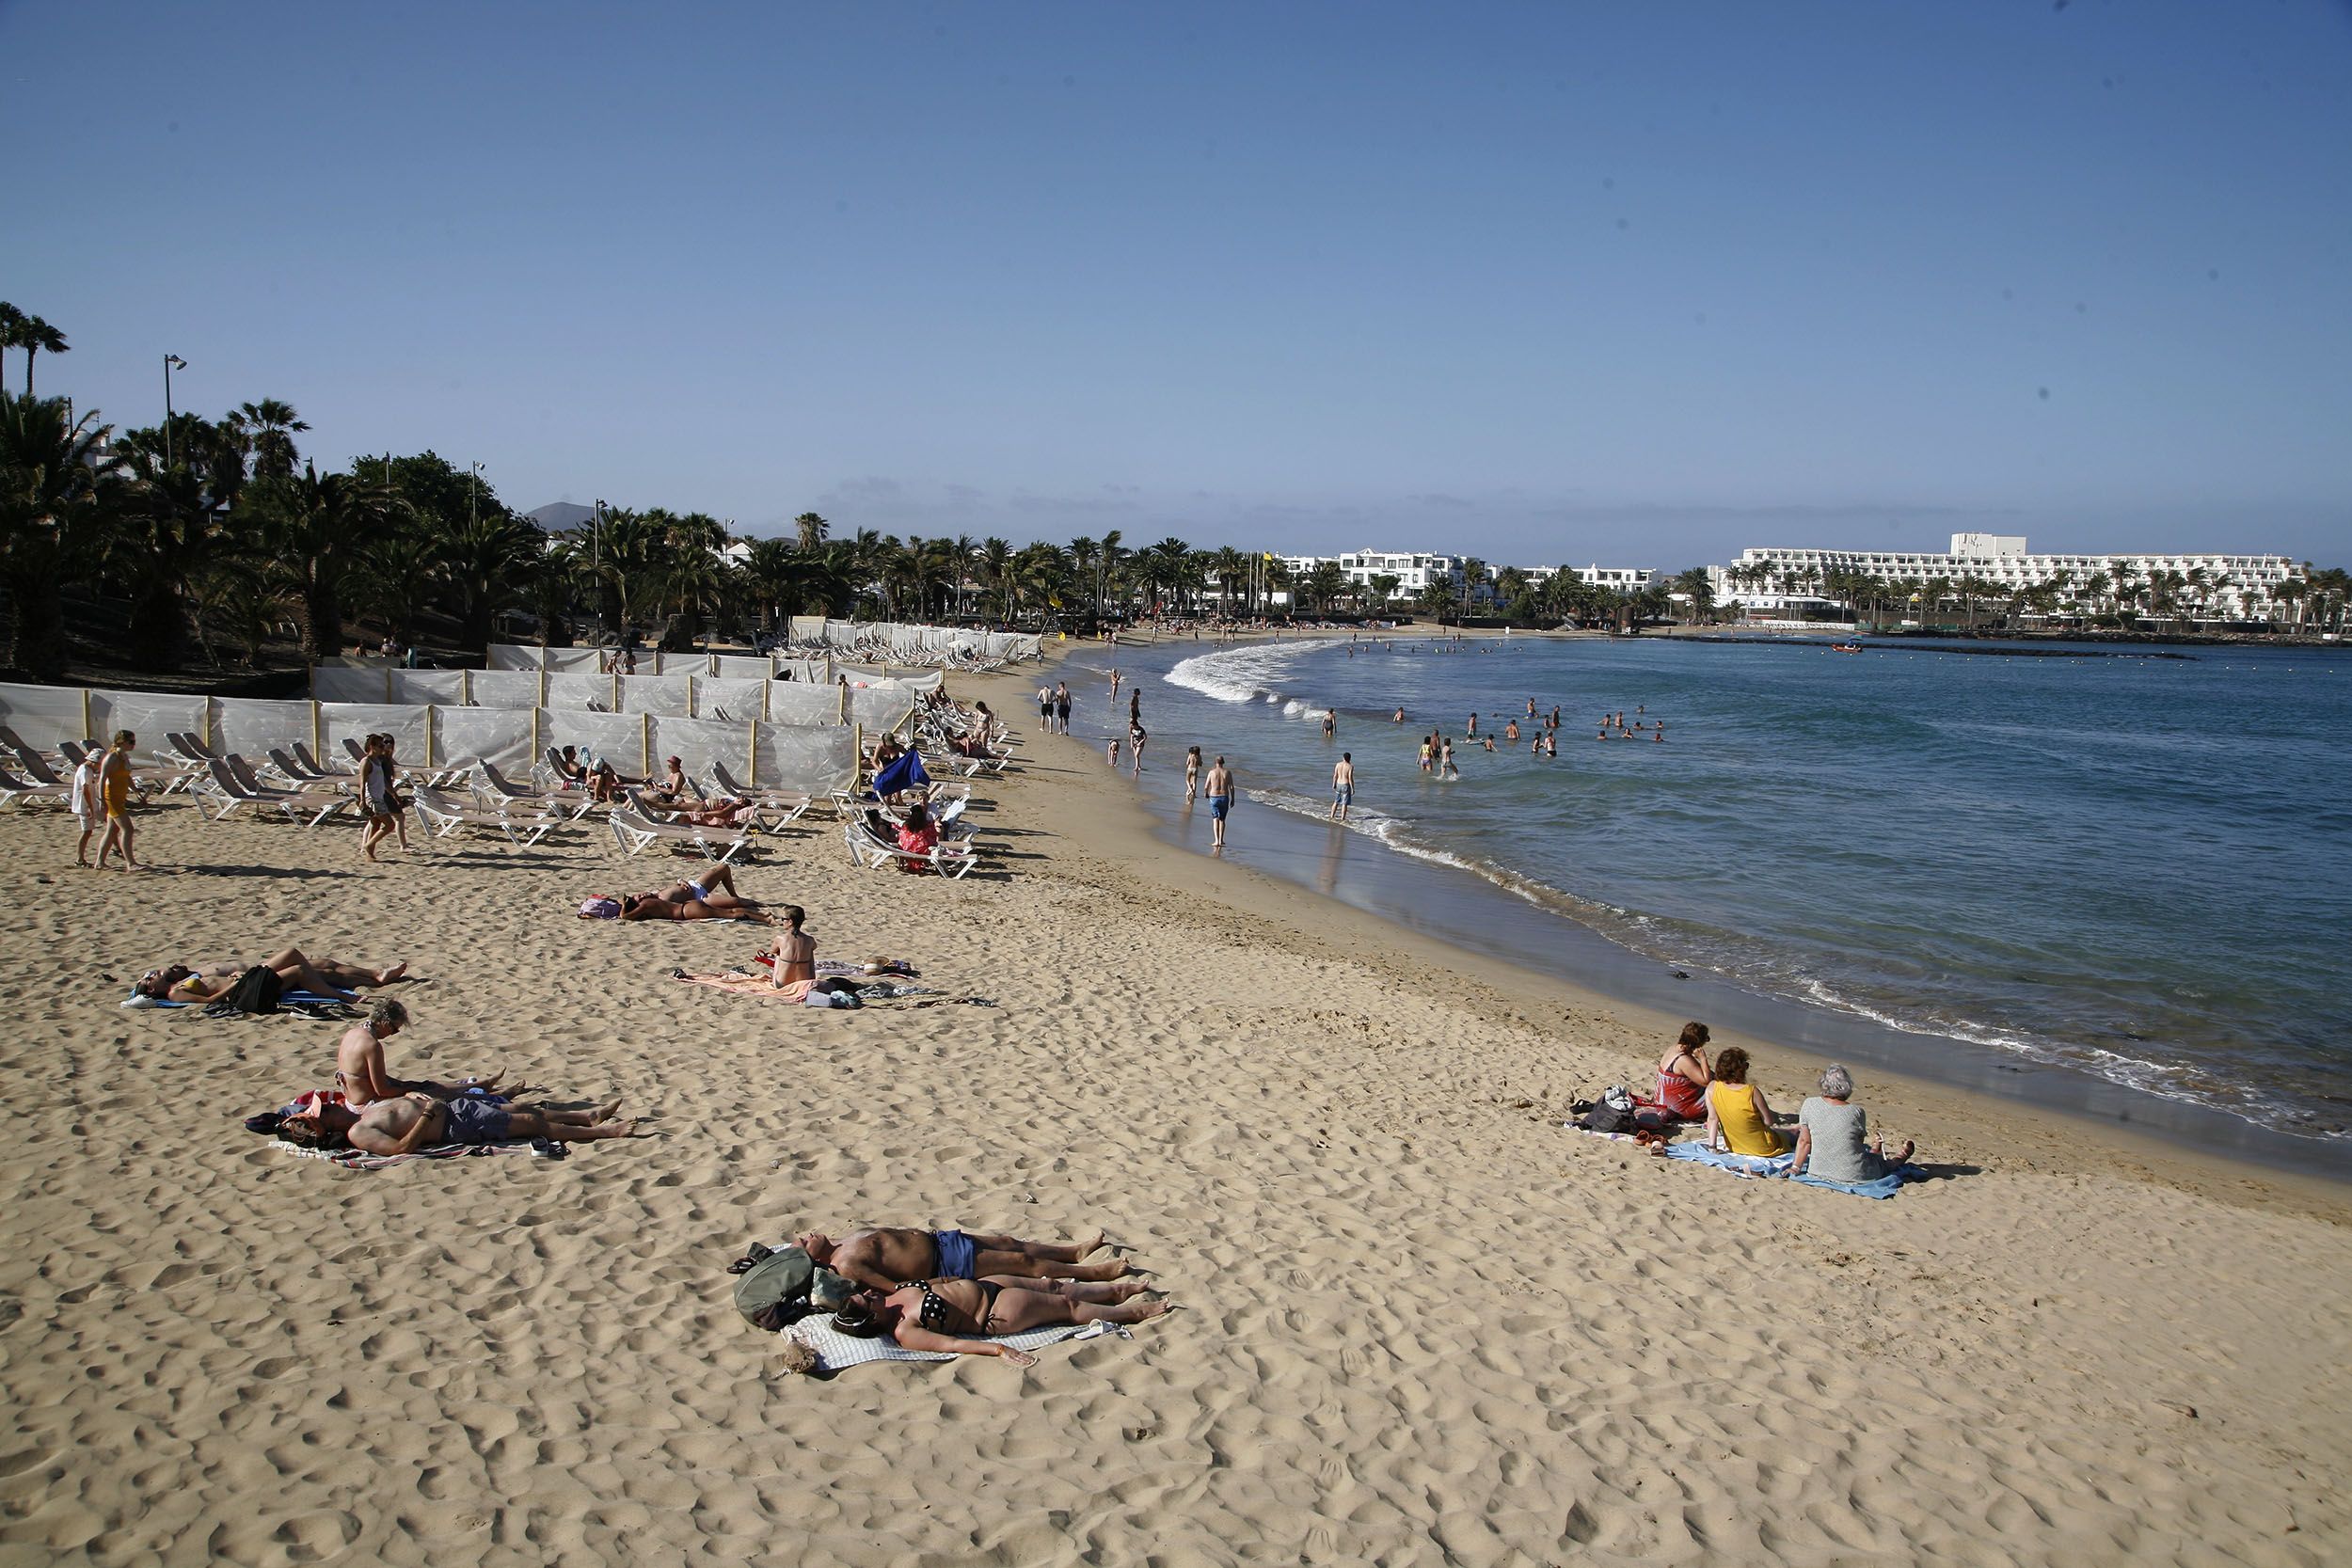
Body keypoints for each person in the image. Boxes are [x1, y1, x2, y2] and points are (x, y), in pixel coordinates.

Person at [831, 1278, 1167, 1367]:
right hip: (994, 1311)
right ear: (873, 1316)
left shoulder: (890, 1298)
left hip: (988, 1284)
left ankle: (1117, 1291)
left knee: (1054, 1285)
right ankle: (1136, 1312)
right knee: (1068, 1306)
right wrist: (999, 1350)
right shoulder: (905, 1331)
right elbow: (953, 1345)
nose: (872, 1293)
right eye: (868, 1299)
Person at [282, 1092, 636, 1155]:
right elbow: (402, 1147)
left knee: (521, 1108)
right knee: (530, 1122)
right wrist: (426, 1115)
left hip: (450, 1110)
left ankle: (585, 1116)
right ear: (324, 1126)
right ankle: (603, 1131)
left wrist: (415, 1098)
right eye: (323, 1111)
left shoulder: (359, 1112)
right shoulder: (359, 1132)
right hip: (451, 1125)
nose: (329, 1105)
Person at [797, 1226, 1128, 1291]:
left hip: (940, 1241)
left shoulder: (841, 1243)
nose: (805, 1236)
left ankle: (1072, 1252)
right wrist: (942, 1282)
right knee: (1021, 1264)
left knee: (1008, 1242)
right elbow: (894, 1287)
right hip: (944, 1264)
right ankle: (1096, 1273)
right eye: (802, 1244)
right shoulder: (846, 1265)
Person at [334, 998, 519, 1108]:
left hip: (356, 1096)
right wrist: (408, 1090)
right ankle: (494, 1097)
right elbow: (382, 1090)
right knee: (434, 1094)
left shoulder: (354, 1033)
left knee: (426, 1085)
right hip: (366, 1103)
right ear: (384, 1022)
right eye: (394, 1029)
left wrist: (409, 1085)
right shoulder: (371, 1045)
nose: (392, 1034)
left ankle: (483, 1085)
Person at [137, 949, 408, 1004]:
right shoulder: (176, 992)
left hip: (251, 979)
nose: (154, 974)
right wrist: (235, 985)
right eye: (150, 978)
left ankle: (375, 976)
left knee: (323, 966)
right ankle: (343, 995)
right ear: (152, 990)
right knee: (299, 964)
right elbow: (209, 1002)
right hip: (248, 988)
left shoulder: (185, 977)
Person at [1788, 1065, 1914, 1182]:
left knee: (1867, 1156)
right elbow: (1857, 1143)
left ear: (1823, 1084)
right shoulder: (1856, 1111)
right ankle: (1900, 1158)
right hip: (1854, 1174)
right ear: (1847, 1086)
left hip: (1817, 1171)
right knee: (1884, 1165)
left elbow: (1804, 1142)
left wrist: (1795, 1167)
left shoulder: (1809, 1104)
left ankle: (1876, 1151)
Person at [1704, 1047, 1790, 1157]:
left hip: (1735, 1146)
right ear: (1741, 1069)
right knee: (1789, 1135)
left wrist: (1712, 1147)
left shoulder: (1712, 1088)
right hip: (1762, 1148)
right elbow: (1768, 1122)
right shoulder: (1752, 1092)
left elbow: (1712, 1119)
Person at [619, 866, 772, 922]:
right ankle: (751, 904)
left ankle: (736, 894)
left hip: (696, 885)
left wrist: (681, 881)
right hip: (699, 898)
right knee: (735, 903)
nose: (642, 895)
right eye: (639, 898)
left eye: (639, 894)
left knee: (724, 868)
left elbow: (674, 885)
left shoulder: (654, 894)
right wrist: (625, 906)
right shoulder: (654, 903)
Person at [95, 731, 140, 871]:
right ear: (122, 742)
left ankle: (100, 862)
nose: (134, 744)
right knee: (128, 829)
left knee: (111, 831)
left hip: (120, 797)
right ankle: (131, 863)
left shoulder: (124, 757)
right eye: (131, 742)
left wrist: (136, 791)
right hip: (111, 798)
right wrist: (101, 799)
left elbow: (127, 777)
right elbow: (102, 779)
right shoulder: (112, 758)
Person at [1652, 1022, 1713, 1121]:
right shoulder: (1684, 1060)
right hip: (1677, 1109)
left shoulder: (1672, 1049)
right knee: (1718, 1088)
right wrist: (1703, 1058)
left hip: (1661, 1101)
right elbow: (1706, 1082)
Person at [69, 743, 102, 867]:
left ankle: (116, 847)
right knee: (87, 832)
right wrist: (90, 808)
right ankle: (80, 859)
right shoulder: (85, 771)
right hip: (84, 806)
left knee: (109, 823)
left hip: (90, 804)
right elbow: (85, 790)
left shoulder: (87, 770)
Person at [1203, 755, 1233, 850]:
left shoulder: (1212, 772)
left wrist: (1206, 793)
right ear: (1223, 762)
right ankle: (1221, 840)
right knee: (1222, 819)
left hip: (1214, 797)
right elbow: (1231, 787)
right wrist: (1233, 798)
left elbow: (1206, 786)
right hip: (1225, 797)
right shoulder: (1227, 772)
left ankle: (1216, 840)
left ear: (1215, 762)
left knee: (1215, 818)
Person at [1330, 752, 1354, 820]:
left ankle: (1332, 816)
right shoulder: (1350, 766)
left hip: (1338, 784)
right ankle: (1342, 818)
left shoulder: (1338, 764)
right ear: (1349, 758)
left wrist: (1333, 784)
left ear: (1343, 758)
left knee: (1336, 802)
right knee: (1344, 804)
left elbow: (1335, 775)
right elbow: (1350, 778)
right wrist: (1352, 788)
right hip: (1345, 785)